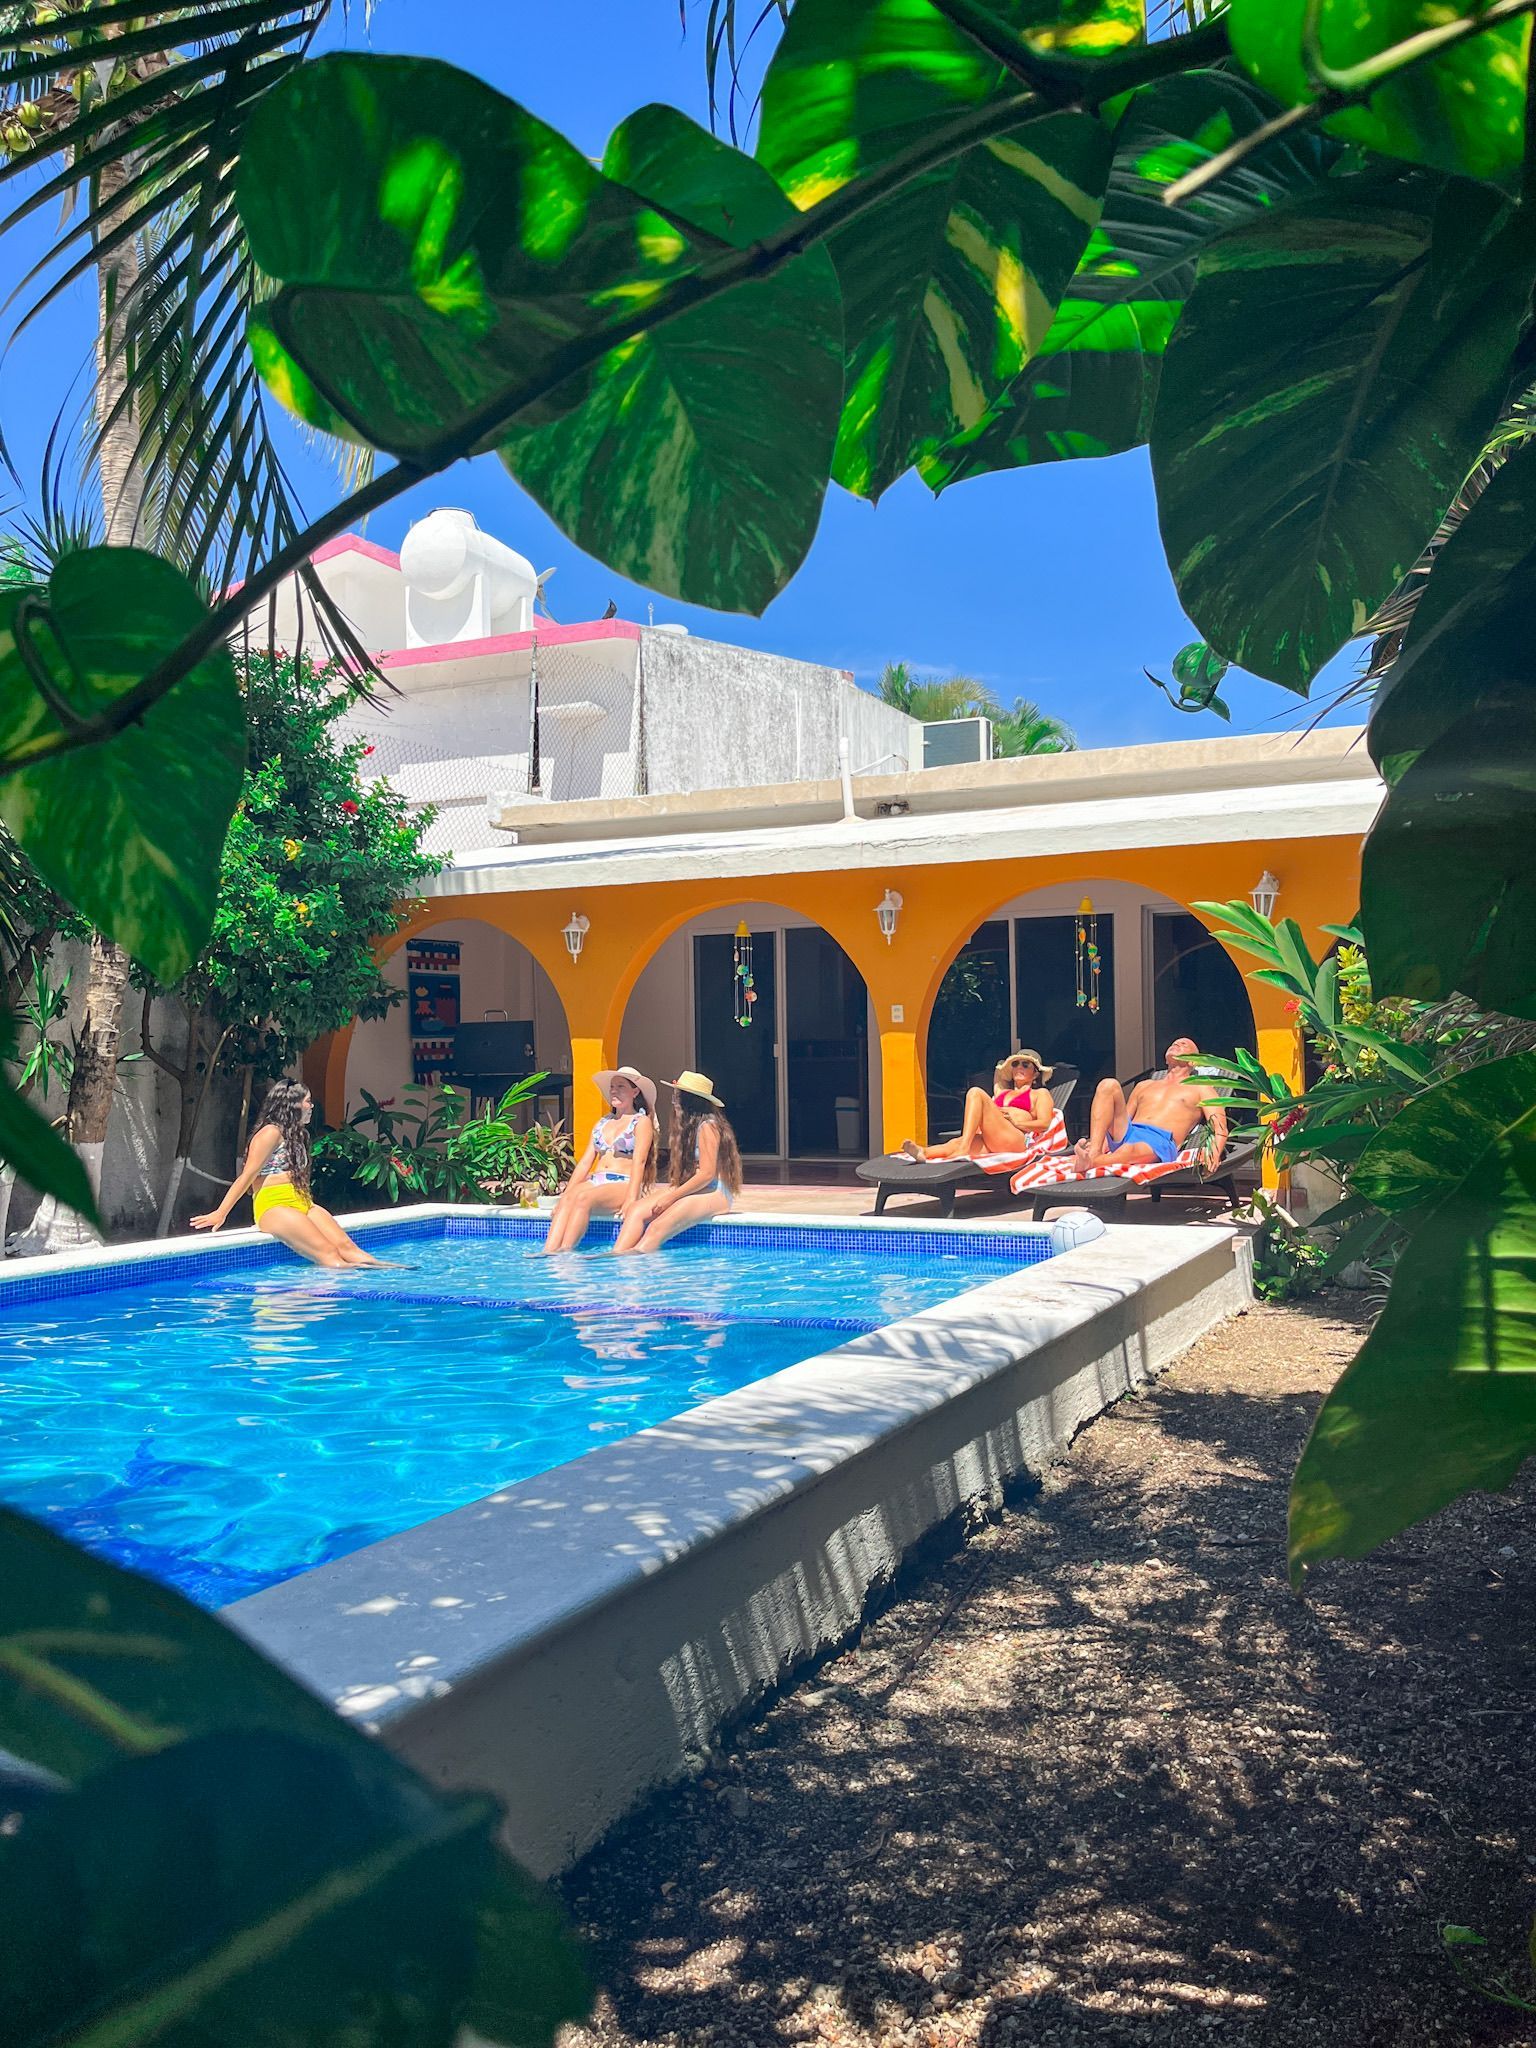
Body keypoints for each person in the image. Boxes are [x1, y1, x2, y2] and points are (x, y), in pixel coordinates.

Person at [191, 1079, 387, 1268]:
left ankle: (393, 1272)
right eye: (308, 1101)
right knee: (328, 1254)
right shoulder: (270, 1133)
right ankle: (345, 1295)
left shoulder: (297, 1135)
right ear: (292, 1104)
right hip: (274, 1206)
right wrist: (221, 1213)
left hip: (303, 1202)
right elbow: (247, 1176)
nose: (311, 1107)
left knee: (347, 1249)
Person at [613, 1070, 742, 1254]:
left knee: (657, 1228)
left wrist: (671, 1197)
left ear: (690, 1099)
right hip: (697, 1188)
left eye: (677, 1095)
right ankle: (616, 1256)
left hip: (715, 1192)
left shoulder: (709, 1126)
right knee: (636, 1211)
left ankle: (636, 1265)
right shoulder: (689, 1126)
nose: (674, 1099)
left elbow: (707, 1174)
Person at [542, 1066, 658, 1252]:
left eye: (621, 1086)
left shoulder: (640, 1122)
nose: (614, 1090)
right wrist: (565, 1195)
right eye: (612, 1086)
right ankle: (548, 1251)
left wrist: (631, 1197)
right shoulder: (603, 1122)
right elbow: (586, 1162)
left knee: (583, 1198)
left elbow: (640, 1161)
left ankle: (566, 1251)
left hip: (622, 1182)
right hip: (597, 1180)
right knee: (570, 1197)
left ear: (635, 1092)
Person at [1073, 1037, 1227, 1173]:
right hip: (1130, 1132)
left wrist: (1214, 1154)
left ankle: (1090, 1162)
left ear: (1193, 1061)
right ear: (1166, 1059)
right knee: (1108, 1084)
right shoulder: (1144, 1085)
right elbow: (1121, 1120)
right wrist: (1103, 1145)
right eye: (1174, 1043)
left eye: (1184, 1045)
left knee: (1129, 1149)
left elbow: (1219, 1128)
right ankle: (1093, 1153)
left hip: (1159, 1140)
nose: (1176, 1044)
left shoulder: (1201, 1088)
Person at [898, 1050, 1057, 1161]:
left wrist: (1018, 1122)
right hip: (993, 1139)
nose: (1019, 1067)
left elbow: (1044, 1124)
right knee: (954, 1143)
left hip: (1016, 1138)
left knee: (975, 1093)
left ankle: (964, 1148)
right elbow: (999, 1073)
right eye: (1015, 1064)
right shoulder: (1002, 1093)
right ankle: (923, 1152)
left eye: (1025, 1065)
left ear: (1036, 1073)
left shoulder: (1039, 1094)